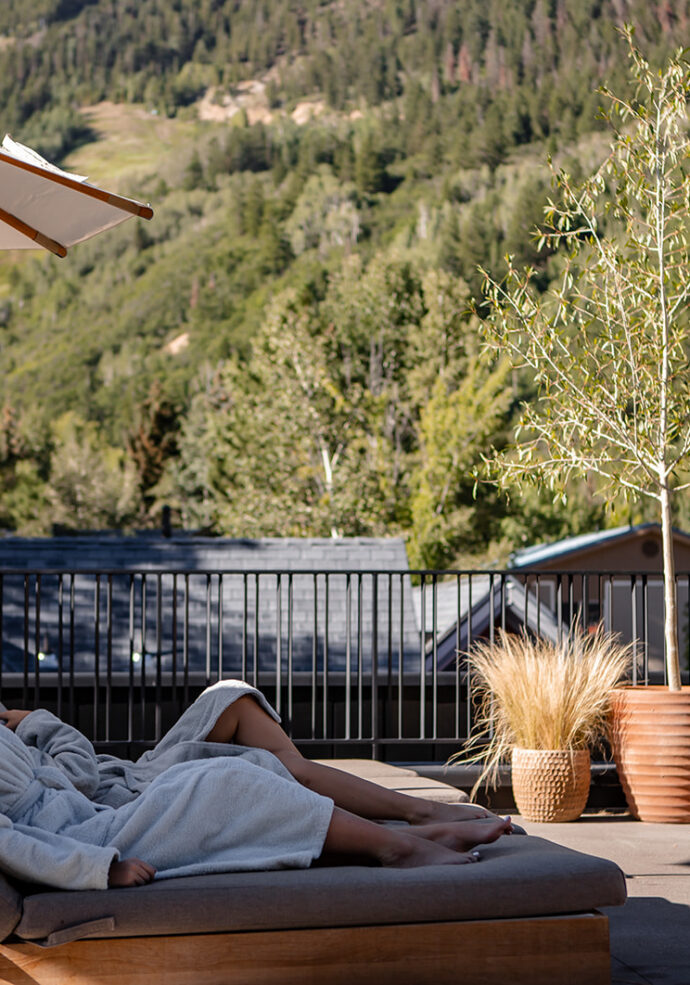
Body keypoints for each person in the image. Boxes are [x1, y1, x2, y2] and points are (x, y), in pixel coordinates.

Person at [0, 683, 512, 891]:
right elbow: (70, 782)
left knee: (230, 699)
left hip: (121, 778)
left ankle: (413, 816)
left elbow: (82, 769)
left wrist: (22, 727)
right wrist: (99, 868)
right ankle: (400, 844)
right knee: (234, 777)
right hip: (97, 819)